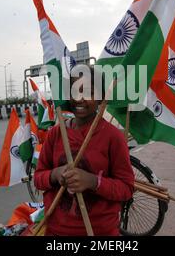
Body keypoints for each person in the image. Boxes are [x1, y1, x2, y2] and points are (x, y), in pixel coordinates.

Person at [34, 66, 134, 236]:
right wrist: (55, 174)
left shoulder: (113, 137)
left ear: (101, 97)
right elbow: (38, 179)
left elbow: (126, 188)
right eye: (74, 92)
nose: (79, 99)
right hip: (57, 231)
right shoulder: (56, 135)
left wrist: (93, 181)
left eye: (88, 92)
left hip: (100, 232)